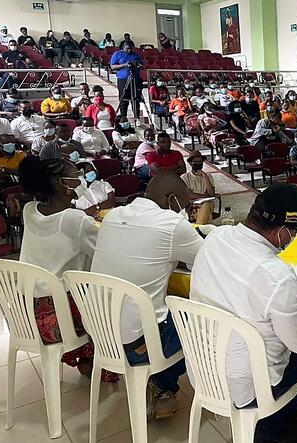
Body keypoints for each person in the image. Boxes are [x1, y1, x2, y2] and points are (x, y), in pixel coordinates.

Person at [191, 183, 297, 442]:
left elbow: (248, 279)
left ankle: (282, 422)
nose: (293, 238)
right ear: (283, 230)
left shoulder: (217, 237)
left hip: (203, 369)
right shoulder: (275, 274)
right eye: (294, 232)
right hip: (250, 385)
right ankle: (271, 428)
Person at [92, 172, 203, 419]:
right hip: (138, 345)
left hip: (100, 334)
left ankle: (159, 384)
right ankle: (170, 386)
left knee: (159, 308)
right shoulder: (172, 223)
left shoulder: (113, 215)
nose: (184, 210)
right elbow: (205, 261)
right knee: (201, 321)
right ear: (171, 198)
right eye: (183, 205)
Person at [17, 156, 118, 383]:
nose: (80, 180)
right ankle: (105, 361)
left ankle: (85, 360)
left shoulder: (29, 210)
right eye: (75, 176)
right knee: (112, 299)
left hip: (27, 311)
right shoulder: (75, 220)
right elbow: (105, 251)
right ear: (63, 183)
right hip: (59, 316)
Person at [181, 150, 216, 224]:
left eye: (200, 161)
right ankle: (200, 229)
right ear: (190, 163)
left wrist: (206, 178)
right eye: (195, 161)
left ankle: (198, 228)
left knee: (206, 204)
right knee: (208, 216)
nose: (198, 163)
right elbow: (189, 195)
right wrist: (205, 196)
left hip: (207, 203)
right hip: (192, 205)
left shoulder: (208, 176)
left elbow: (212, 194)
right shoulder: (185, 177)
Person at [110, 40, 143, 117]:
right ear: (123, 47)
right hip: (123, 79)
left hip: (135, 78)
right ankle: (123, 116)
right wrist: (124, 65)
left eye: (131, 48)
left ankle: (137, 116)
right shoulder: (117, 54)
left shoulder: (135, 55)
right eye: (127, 48)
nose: (129, 50)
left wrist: (137, 65)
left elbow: (141, 65)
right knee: (123, 98)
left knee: (135, 99)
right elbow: (113, 67)